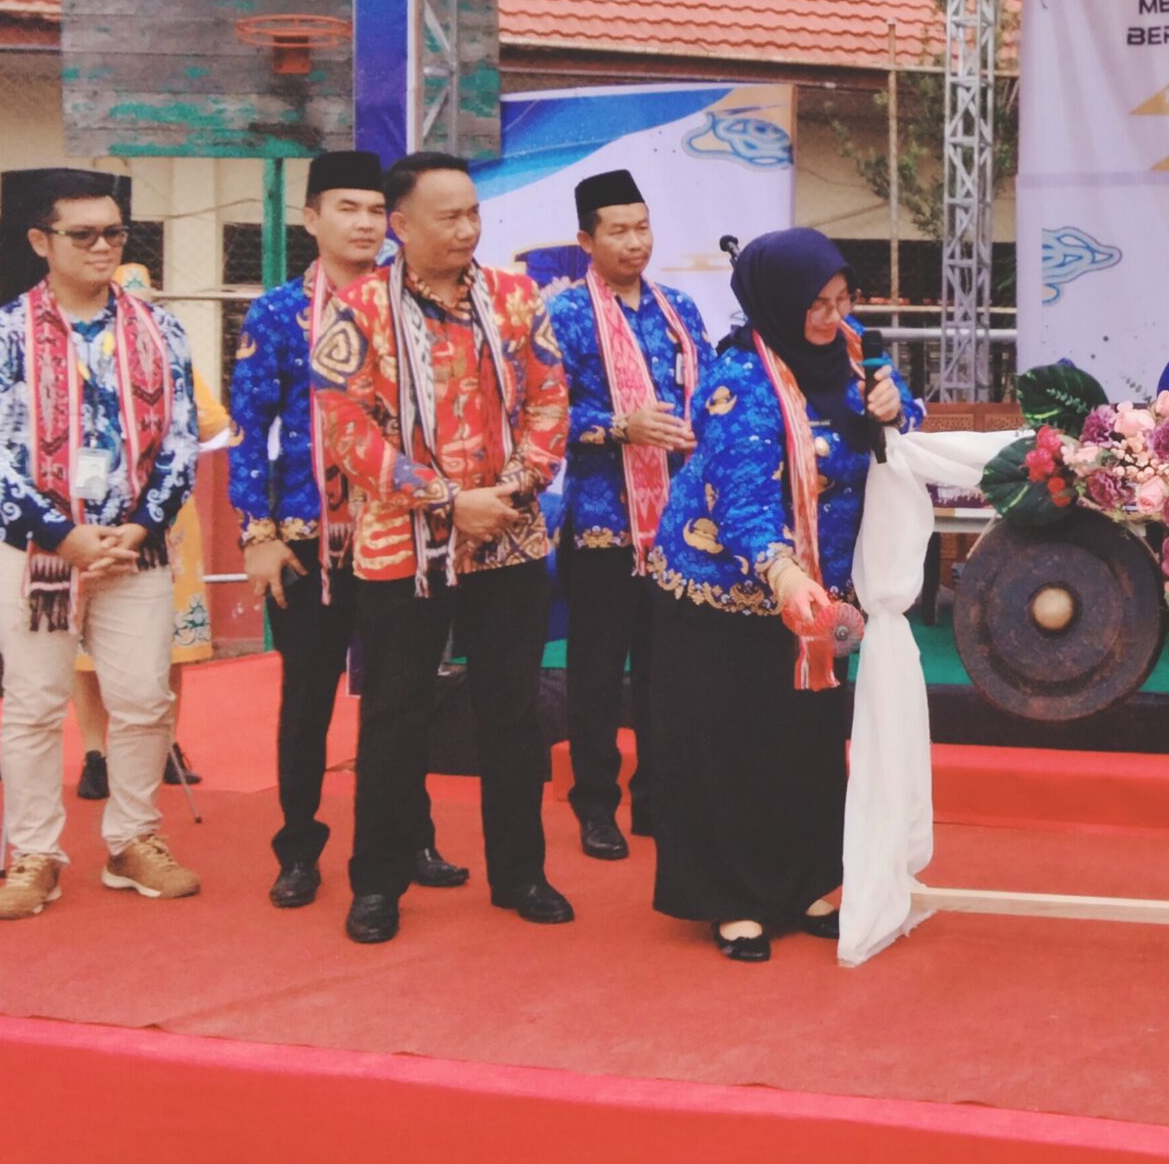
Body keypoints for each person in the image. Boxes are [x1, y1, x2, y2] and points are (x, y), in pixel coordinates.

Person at [312, 151, 570, 945]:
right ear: (401, 225)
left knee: (513, 712)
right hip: (403, 544)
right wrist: (449, 501)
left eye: (473, 213)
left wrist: (513, 490)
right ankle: (378, 883)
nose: (468, 229)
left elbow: (551, 398)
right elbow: (345, 429)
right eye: (448, 217)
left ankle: (521, 872)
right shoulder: (356, 311)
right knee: (394, 716)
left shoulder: (518, 299)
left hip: (510, 535)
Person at [648, 229, 918, 963]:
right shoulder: (740, 384)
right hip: (727, 591)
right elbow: (740, 503)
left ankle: (808, 881)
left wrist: (897, 409)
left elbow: (905, 424)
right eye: (817, 307)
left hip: (818, 593)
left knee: (806, 743)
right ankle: (732, 899)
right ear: (775, 305)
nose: (834, 318)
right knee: (734, 745)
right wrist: (784, 572)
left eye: (842, 300)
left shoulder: (858, 351)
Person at [0, 168, 202, 919]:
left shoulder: (159, 328)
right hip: (37, 552)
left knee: (141, 697)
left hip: (135, 548)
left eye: (115, 233)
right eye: (83, 234)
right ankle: (35, 854)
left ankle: (132, 840)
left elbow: (183, 440)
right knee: (32, 705)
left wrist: (139, 527)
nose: (103, 246)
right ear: (41, 242)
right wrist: (62, 535)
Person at [230, 151, 465, 909]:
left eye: (374, 210)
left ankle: (409, 833)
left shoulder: (425, 302)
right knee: (308, 697)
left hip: (403, 530)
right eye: (346, 209)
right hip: (307, 539)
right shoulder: (275, 313)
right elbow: (249, 431)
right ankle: (298, 847)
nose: (363, 224)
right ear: (311, 219)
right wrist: (256, 533)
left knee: (405, 695)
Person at [544, 169, 709, 862]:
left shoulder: (681, 309)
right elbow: (546, 414)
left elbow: (706, 397)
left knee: (667, 671)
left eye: (642, 227)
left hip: (678, 526)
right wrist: (619, 426)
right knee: (596, 671)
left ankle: (659, 799)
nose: (635, 241)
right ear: (587, 239)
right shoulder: (563, 314)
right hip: (602, 523)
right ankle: (595, 804)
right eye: (618, 230)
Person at [70, 262, 222, 797]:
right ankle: (95, 751)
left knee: (168, 639)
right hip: (85, 513)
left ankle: (165, 744)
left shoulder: (168, 348)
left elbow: (210, 418)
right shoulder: (71, 349)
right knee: (84, 643)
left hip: (163, 518)